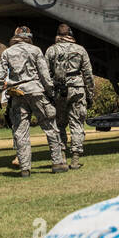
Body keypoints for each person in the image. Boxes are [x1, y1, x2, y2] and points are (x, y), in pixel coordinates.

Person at [0, 25, 66, 177]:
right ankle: (58, 162)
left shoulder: (7, 52)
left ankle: (25, 168)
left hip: (17, 94)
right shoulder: (36, 50)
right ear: (29, 37)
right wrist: (51, 93)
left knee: (20, 132)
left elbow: (0, 77)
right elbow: (45, 75)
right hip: (36, 91)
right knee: (50, 127)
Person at [45, 23, 96, 169]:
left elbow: (45, 73)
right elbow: (88, 74)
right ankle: (75, 159)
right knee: (77, 123)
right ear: (71, 34)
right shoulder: (80, 50)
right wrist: (90, 94)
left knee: (59, 125)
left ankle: (61, 157)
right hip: (77, 90)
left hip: (58, 91)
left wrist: (49, 93)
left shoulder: (51, 51)